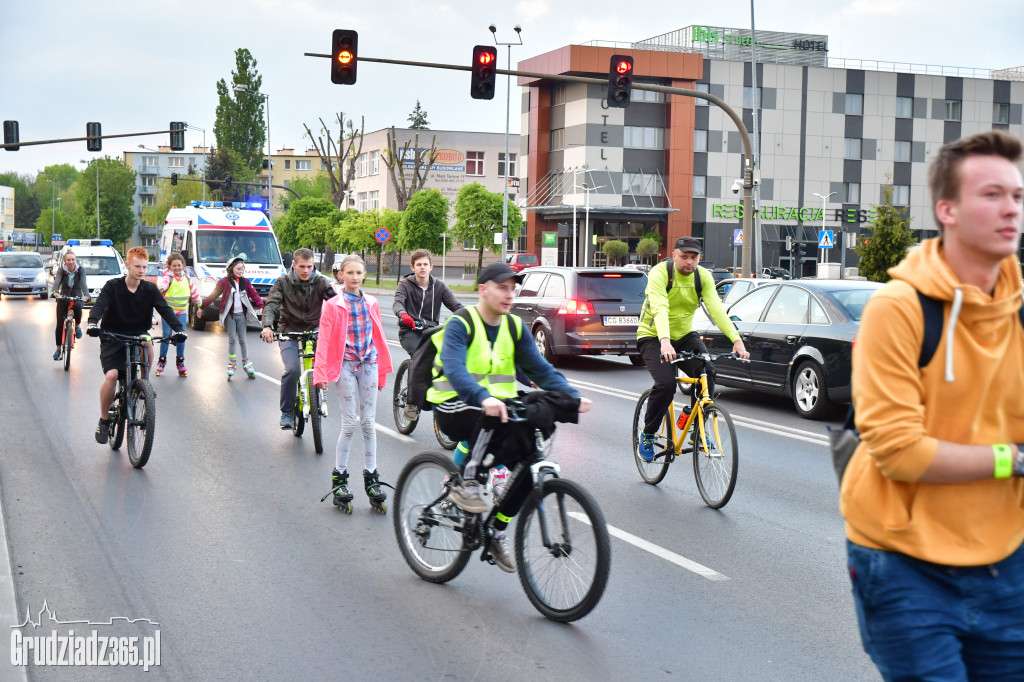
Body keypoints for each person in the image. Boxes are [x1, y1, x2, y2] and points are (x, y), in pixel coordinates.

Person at [840, 130, 1024, 680]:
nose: (1010, 207)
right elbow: (899, 451)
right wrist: (1011, 460)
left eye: (1016, 195)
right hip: (902, 564)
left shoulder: (1018, 312)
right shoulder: (898, 309)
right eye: (992, 194)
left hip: (1006, 562)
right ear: (947, 209)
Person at [427, 261, 593, 572]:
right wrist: (482, 396)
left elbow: (540, 370)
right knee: (487, 417)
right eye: (502, 288)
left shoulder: (514, 327)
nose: (509, 294)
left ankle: (496, 531)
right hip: (454, 405)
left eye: (512, 289)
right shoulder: (462, 324)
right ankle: (468, 483)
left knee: (531, 453)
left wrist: (570, 396)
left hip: (494, 405)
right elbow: (454, 368)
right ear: (483, 290)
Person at [635, 236, 749, 462]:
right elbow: (659, 307)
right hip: (653, 336)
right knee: (666, 384)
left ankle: (697, 427)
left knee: (707, 370)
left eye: (693, 257)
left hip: (685, 335)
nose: (689, 262)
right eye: (684, 257)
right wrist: (665, 341)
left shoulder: (702, 277)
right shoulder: (660, 273)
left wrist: (736, 339)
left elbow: (716, 309)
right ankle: (648, 434)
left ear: (699, 258)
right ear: (675, 255)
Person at [314, 255, 394, 512]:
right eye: (350, 273)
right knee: (350, 423)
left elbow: (379, 337)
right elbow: (325, 340)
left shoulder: (371, 302)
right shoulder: (333, 304)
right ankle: (340, 478)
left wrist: (381, 372)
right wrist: (321, 374)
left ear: (363, 275)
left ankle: (371, 477)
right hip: (345, 365)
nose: (355, 277)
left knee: (369, 423)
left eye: (359, 272)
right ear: (341, 275)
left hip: (369, 363)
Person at [87, 247, 185, 444]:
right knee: (112, 376)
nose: (141, 270)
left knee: (146, 342)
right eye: (137, 266)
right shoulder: (112, 286)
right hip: (112, 336)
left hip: (137, 333)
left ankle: (143, 384)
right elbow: (100, 305)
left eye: (145, 267)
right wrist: (92, 323)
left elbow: (164, 309)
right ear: (127, 266)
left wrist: (178, 329)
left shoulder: (149, 289)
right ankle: (104, 419)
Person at [260, 248, 336, 429]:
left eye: (309, 267)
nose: (305, 270)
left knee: (324, 366)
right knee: (292, 369)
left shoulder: (321, 282)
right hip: (289, 331)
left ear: (313, 266)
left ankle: (318, 395)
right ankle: (286, 412)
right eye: (302, 266)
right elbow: (271, 305)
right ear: (294, 265)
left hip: (314, 330)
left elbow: (336, 303)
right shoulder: (283, 282)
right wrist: (267, 326)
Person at [393, 249, 465, 421]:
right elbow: (397, 303)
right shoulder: (405, 285)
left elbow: (457, 306)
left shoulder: (439, 286)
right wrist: (404, 315)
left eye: (425, 264)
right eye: (419, 265)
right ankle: (411, 403)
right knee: (419, 356)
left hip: (432, 332)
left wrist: (466, 317)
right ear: (413, 267)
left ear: (431, 266)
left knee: (448, 359)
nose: (422, 268)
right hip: (409, 331)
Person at [200, 256, 264, 379]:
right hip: (230, 315)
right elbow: (213, 295)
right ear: (231, 268)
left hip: (241, 316)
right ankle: (232, 364)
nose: (241, 271)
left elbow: (254, 295)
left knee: (243, 339)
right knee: (232, 340)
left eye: (242, 269)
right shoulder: (224, 282)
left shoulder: (246, 282)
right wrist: (201, 307)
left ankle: (246, 363)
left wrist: (261, 306)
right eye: (238, 269)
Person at [155, 253, 202, 378]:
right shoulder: (168, 277)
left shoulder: (187, 278)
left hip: (181, 313)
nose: (177, 268)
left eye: (179, 265)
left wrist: (201, 306)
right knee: (166, 336)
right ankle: (162, 360)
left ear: (183, 266)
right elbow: (164, 284)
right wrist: (161, 288)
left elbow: (195, 293)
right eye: (174, 266)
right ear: (170, 267)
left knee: (181, 337)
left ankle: (180, 362)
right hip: (168, 313)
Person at [51, 249, 90, 360]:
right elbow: (57, 282)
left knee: (78, 305)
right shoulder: (61, 270)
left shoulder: (80, 270)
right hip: (64, 296)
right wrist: (55, 292)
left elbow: (83, 283)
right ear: (65, 260)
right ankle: (58, 349)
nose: (71, 262)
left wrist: (86, 295)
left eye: (73, 259)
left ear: (75, 260)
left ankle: (77, 326)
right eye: (68, 260)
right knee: (59, 324)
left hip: (76, 295)